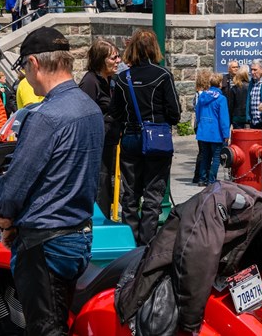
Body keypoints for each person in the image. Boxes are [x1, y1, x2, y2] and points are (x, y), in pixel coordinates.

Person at [0, 26, 103, 335]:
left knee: (46, 329)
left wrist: (2, 213)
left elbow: (16, 184)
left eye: (25, 67)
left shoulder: (46, 115)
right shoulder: (89, 108)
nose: (26, 74)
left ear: (35, 64)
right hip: (78, 236)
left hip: (46, 243)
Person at [109, 29, 181, 246]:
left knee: (130, 194)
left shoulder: (123, 78)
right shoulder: (162, 75)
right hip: (156, 138)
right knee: (153, 192)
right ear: (153, 49)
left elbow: (115, 112)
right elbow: (175, 113)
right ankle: (146, 243)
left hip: (130, 137)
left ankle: (130, 241)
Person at [79, 39, 121, 219]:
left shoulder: (110, 80)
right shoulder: (90, 82)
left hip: (110, 142)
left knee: (108, 186)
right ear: (100, 60)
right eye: (113, 58)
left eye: (118, 56)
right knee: (100, 186)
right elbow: (83, 115)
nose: (118, 61)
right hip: (97, 146)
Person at [195, 72, 230, 186]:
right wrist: (226, 135)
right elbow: (223, 119)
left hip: (203, 131)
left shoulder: (202, 96)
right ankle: (211, 180)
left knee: (205, 156)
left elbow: (198, 113)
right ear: (220, 83)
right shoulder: (221, 99)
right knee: (216, 158)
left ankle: (202, 179)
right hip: (216, 133)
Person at [191, 69, 211, 184]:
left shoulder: (197, 93)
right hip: (202, 124)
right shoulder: (203, 94)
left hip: (197, 124)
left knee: (202, 151)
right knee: (204, 151)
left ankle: (198, 174)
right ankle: (200, 175)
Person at [246, 58, 262, 129]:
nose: (252, 72)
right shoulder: (251, 83)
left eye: (255, 70)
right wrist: (248, 118)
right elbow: (248, 101)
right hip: (253, 122)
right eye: (251, 69)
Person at [227, 64, 250, 128]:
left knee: (238, 137)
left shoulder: (234, 88)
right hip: (248, 116)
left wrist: (230, 119)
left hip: (237, 117)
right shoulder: (251, 87)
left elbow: (231, 106)